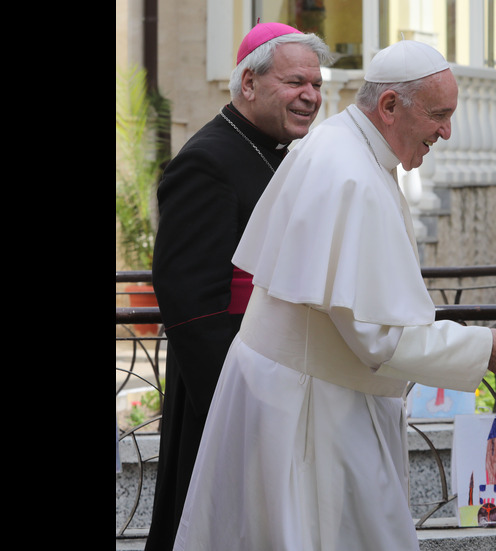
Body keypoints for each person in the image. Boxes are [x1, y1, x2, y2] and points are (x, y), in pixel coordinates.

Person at [171, 40, 496, 551]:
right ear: (389, 107)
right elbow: (381, 339)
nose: (447, 131)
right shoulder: (350, 174)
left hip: (309, 397)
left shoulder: (345, 147)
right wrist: (486, 349)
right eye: (438, 115)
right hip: (306, 414)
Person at [146, 23, 330, 551]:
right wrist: (238, 401)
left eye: (317, 85)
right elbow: (188, 301)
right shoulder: (207, 161)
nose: (311, 96)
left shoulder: (276, 151)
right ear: (249, 83)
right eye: (296, 81)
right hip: (230, 386)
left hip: (274, 375)